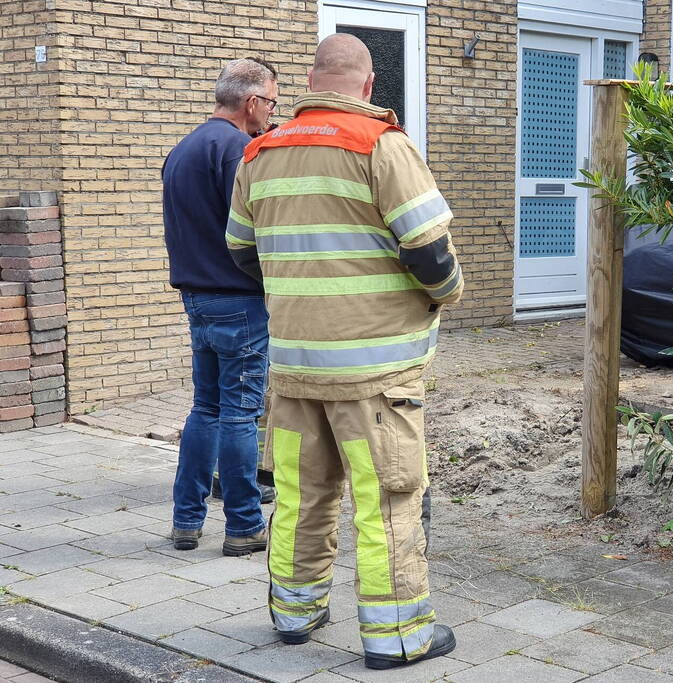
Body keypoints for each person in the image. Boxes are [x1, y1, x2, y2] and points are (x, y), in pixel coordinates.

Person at [226, 34, 463, 666]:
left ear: (311, 82)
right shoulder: (381, 144)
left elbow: (242, 251)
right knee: (386, 500)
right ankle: (398, 636)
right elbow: (428, 250)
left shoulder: (260, 151)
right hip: (374, 374)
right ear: (368, 85)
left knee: (301, 495)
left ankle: (294, 614)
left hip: (293, 369)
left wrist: (298, 300)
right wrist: (447, 295)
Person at [162, 58, 278, 556]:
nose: (272, 113)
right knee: (240, 414)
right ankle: (244, 525)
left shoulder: (183, 148)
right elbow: (253, 226)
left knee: (205, 408)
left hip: (197, 299)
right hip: (239, 300)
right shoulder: (238, 150)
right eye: (271, 103)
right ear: (251, 102)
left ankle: (186, 522)